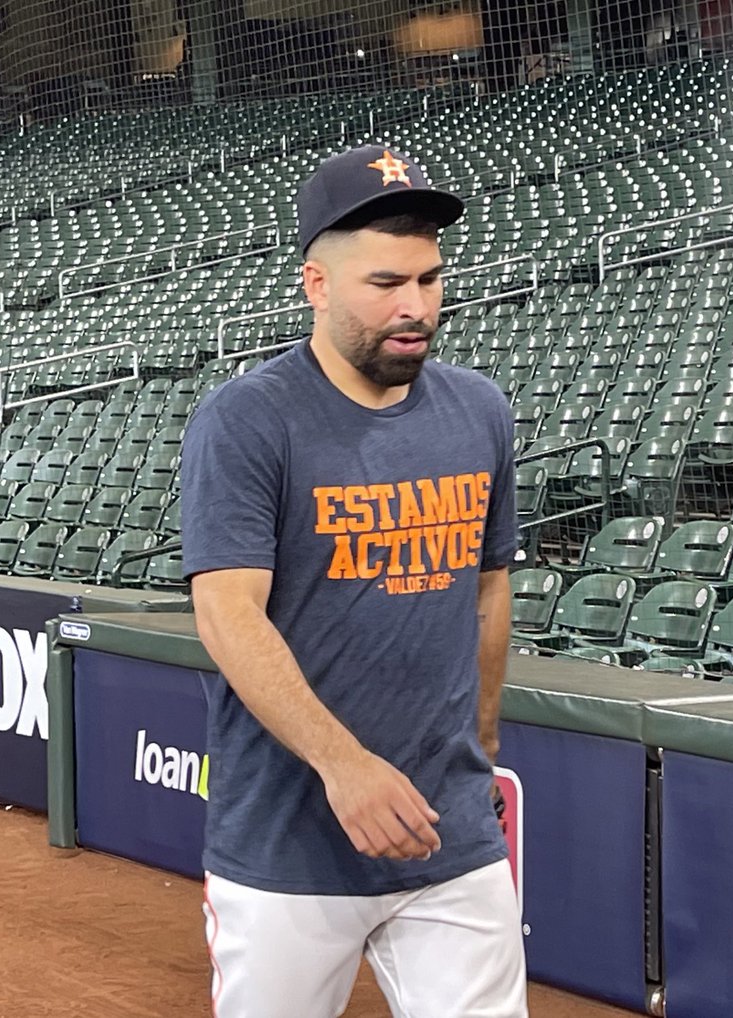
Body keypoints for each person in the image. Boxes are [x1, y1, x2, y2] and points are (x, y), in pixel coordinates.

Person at [180, 144, 527, 1018]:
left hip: (450, 834)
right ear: (317, 285)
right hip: (290, 837)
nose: (415, 307)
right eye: (385, 284)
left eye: (430, 280)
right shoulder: (249, 420)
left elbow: (489, 588)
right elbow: (227, 612)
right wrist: (344, 765)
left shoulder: (478, 408)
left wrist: (478, 749)